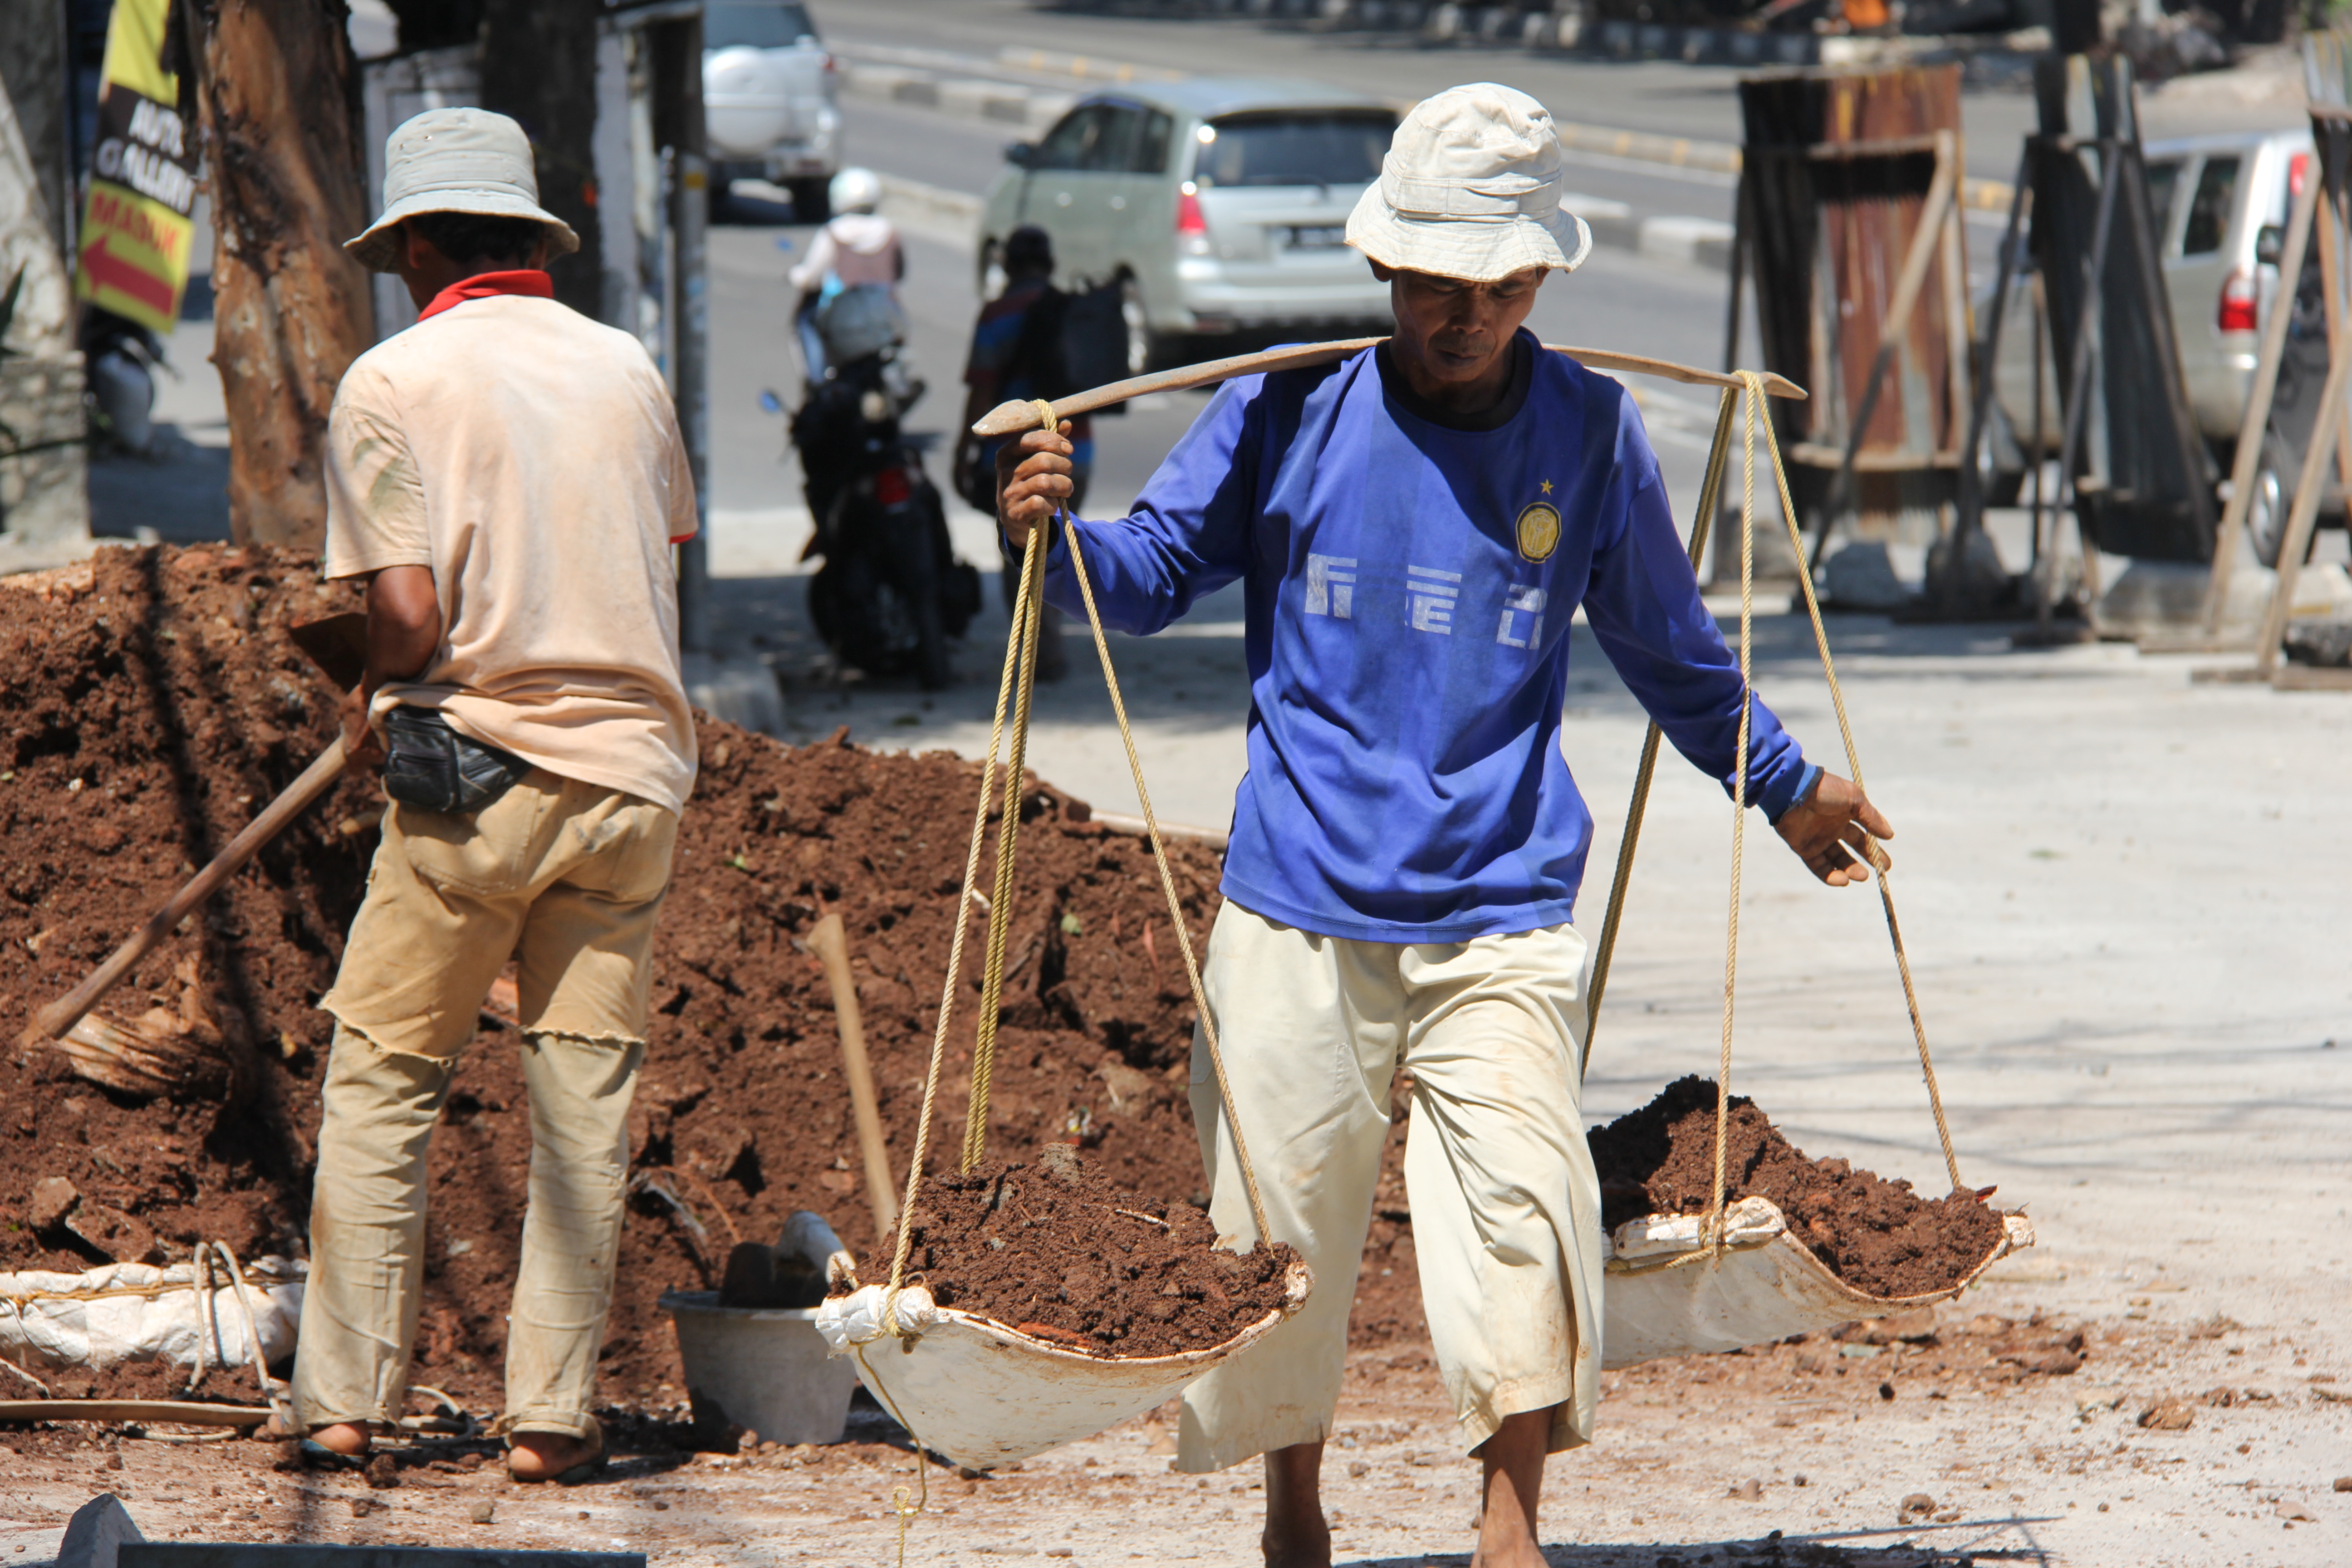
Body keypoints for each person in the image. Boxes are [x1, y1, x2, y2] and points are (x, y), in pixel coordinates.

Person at [994, 84, 1895, 1568]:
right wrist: (1054, 537)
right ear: (1383, 274)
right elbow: (1145, 574)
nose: (1454, 314)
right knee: (1281, 1229)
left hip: (1499, 902)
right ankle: (1294, 1505)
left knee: (1522, 1210)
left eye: (1487, 287)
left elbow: (1670, 650)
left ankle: (1508, 1525)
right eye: (1426, 283)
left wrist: (1784, 784)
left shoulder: (1594, 437)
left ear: (1534, 283)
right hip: (1297, 891)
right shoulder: (1283, 414)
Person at [287, 107, 699, 1486]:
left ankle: (343, 1401)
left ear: (413, 247)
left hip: (474, 783)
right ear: (532, 236)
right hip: (634, 782)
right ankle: (552, 1419)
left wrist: (370, 689)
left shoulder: (393, 380)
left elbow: (406, 611)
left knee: (386, 1081)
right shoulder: (629, 366)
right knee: (585, 1103)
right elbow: (660, 540)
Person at [956, 224, 1090, 681]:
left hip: (1022, 460)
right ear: (1050, 265)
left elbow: (982, 391)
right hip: (1078, 452)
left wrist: (964, 450)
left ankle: (1037, 659)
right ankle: (1044, 652)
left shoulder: (997, 314)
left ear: (1007, 266)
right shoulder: (1073, 310)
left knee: (1022, 551)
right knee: (1059, 546)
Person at [789, 166, 902, 382]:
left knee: (806, 321)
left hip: (840, 313)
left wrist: (794, 275)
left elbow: (810, 277)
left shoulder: (834, 232)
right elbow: (900, 272)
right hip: (886, 315)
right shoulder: (890, 232)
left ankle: (817, 381)